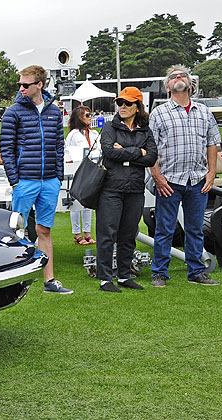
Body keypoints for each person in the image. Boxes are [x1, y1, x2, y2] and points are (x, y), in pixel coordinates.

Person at [148, 66, 221, 287]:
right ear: (168, 86)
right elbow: (151, 148)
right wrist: (157, 176)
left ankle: (196, 271)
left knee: (195, 229)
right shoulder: (159, 113)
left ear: (189, 84)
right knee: (165, 229)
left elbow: (211, 143)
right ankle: (159, 273)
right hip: (169, 180)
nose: (178, 79)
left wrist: (211, 172)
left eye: (182, 76)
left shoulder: (203, 111)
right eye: (173, 77)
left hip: (197, 179)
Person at [1, 65, 71, 294]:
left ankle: (49, 281)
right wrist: (15, 180)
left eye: (25, 84)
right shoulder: (13, 112)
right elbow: (7, 148)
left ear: (39, 85)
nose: (21, 88)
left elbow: (59, 145)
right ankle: (15, 280)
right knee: (18, 231)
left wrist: (57, 176)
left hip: (49, 181)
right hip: (24, 181)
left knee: (44, 231)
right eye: (19, 84)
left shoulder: (54, 112)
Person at [94, 87, 158, 293]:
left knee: (128, 234)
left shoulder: (145, 130)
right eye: (120, 102)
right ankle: (105, 279)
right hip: (111, 188)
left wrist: (128, 152)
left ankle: (124, 276)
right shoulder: (110, 127)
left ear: (137, 107)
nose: (122, 106)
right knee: (107, 234)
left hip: (135, 189)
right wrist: (138, 151)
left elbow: (152, 157)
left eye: (127, 103)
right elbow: (109, 152)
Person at [65, 106, 100, 245]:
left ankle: (87, 233)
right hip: (77, 170)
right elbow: (67, 152)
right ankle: (77, 234)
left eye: (90, 114)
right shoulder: (73, 134)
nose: (90, 117)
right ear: (79, 117)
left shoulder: (94, 134)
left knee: (88, 203)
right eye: (87, 115)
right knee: (76, 202)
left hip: (92, 170)